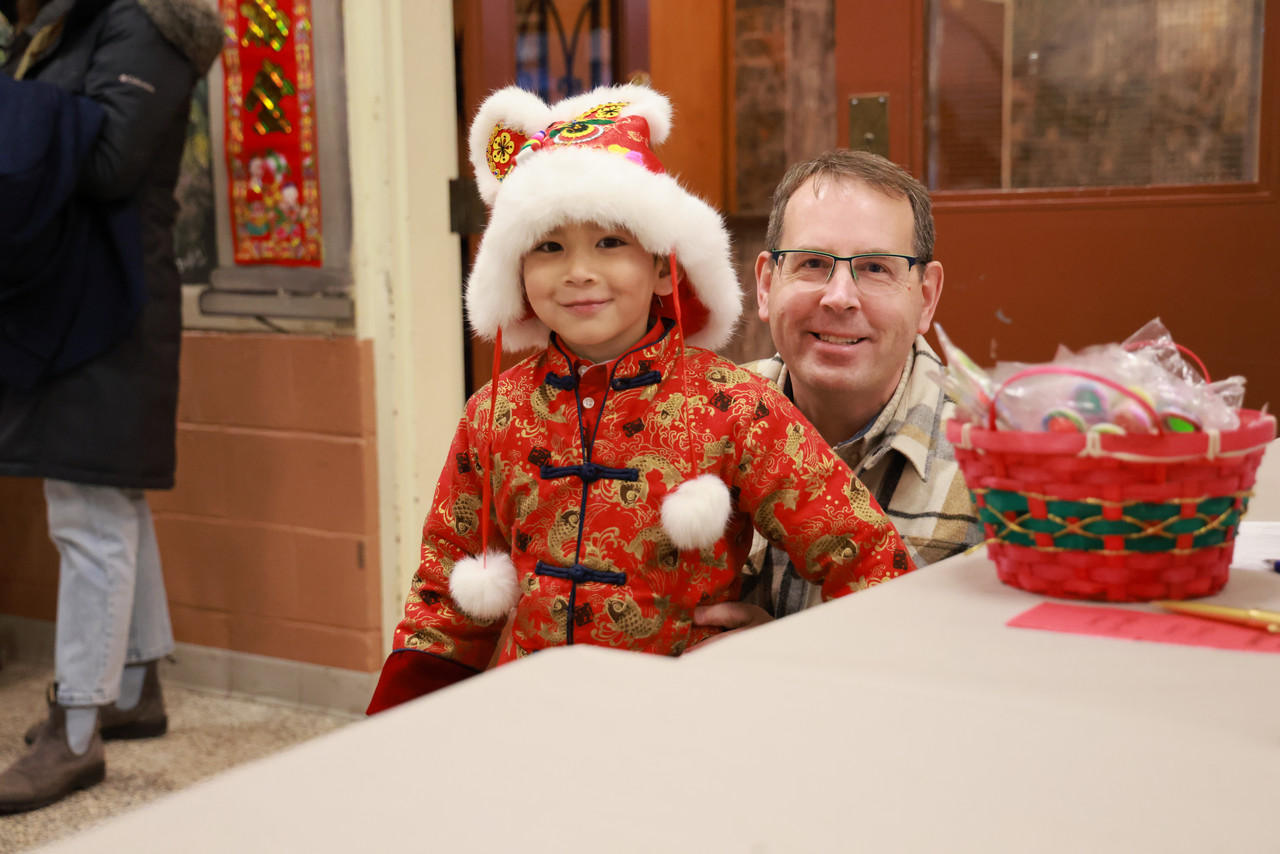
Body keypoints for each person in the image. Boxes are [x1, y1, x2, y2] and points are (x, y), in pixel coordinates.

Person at [366, 85, 915, 713]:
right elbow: (444, 592)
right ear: (516, 269)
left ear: (661, 267)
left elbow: (865, 554)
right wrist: (390, 730)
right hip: (531, 718)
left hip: (684, 720)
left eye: (610, 243)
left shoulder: (735, 406)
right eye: (548, 246)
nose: (578, 271)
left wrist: (803, 672)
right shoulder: (495, 411)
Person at [0, 0, 222, 814]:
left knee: (86, 511)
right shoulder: (58, 27)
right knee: (107, 495)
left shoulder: (142, 21)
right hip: (71, 295)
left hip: (112, 300)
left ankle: (77, 731)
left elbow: (108, 164)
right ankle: (132, 688)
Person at [695, 149, 983, 638]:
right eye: (812, 263)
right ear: (765, 285)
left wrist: (782, 656)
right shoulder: (695, 420)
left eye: (876, 268)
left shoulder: (996, 470)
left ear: (926, 297)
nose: (840, 297)